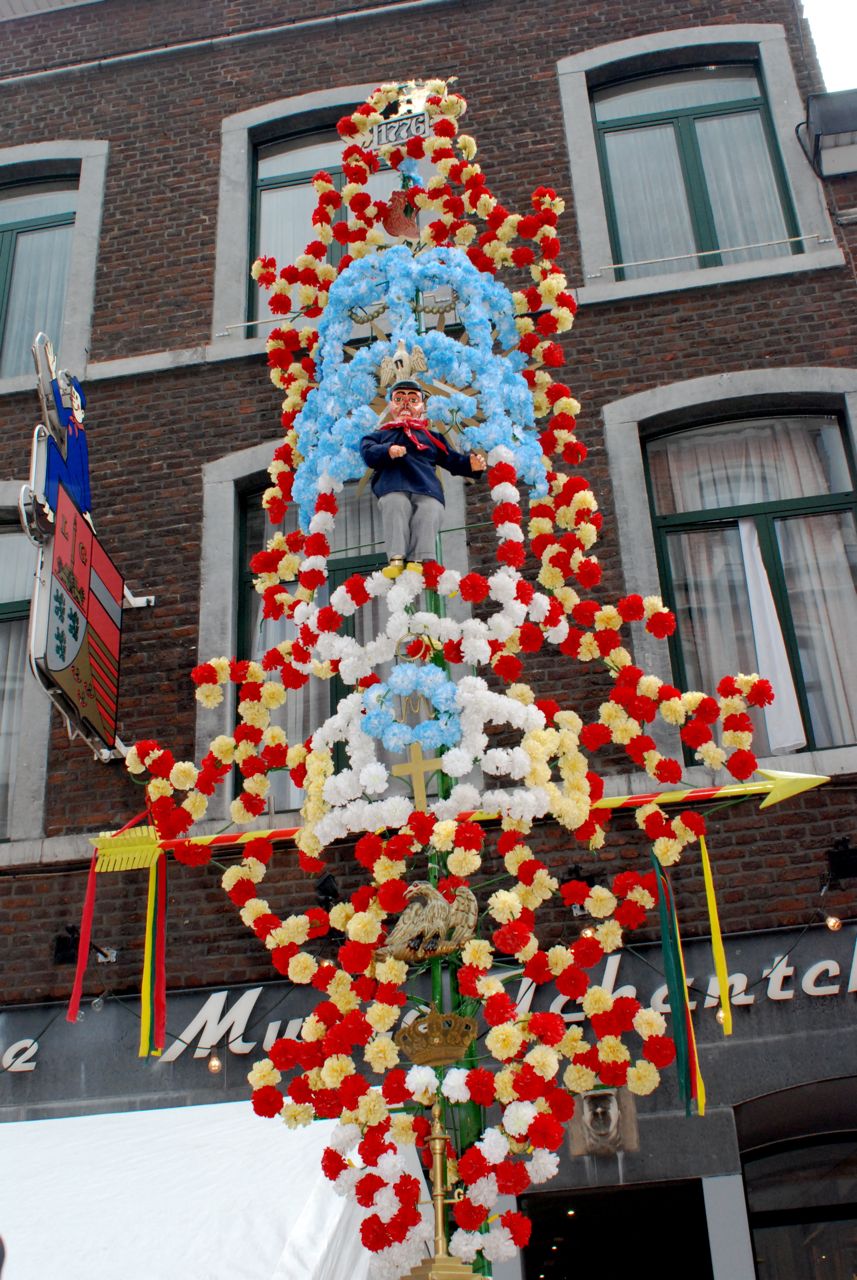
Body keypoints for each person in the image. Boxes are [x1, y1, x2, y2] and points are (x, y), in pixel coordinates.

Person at [360, 380, 486, 577]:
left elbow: (451, 459)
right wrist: (387, 450)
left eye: (413, 400)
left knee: (430, 509)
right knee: (395, 504)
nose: (406, 405)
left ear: (422, 407)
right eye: (399, 399)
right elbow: (368, 452)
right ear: (391, 405)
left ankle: (418, 559)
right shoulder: (380, 435)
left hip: (426, 487)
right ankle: (396, 557)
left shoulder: (432, 438)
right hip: (393, 484)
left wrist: (470, 465)